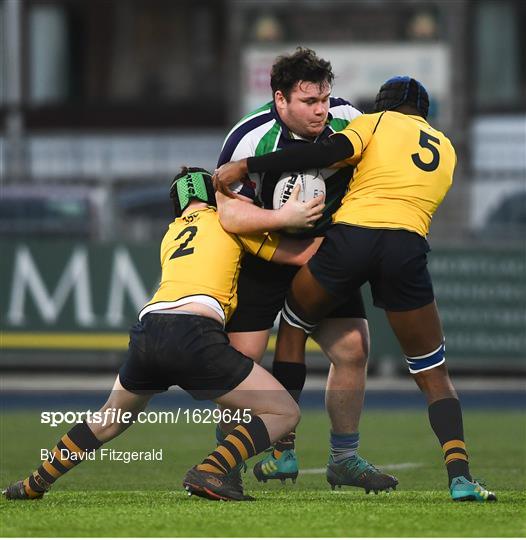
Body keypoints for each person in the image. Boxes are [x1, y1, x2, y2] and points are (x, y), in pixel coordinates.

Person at [214, 77, 497, 502]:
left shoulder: (370, 123)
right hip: (405, 247)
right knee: (431, 369)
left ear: (382, 106)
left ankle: (288, 452)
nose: (322, 108)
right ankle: (460, 477)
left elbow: (327, 152)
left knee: (296, 323)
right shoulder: (447, 148)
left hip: (349, 241)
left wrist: (248, 166)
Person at [2, 167, 323, 503]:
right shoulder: (231, 221)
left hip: (149, 329)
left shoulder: (170, 234)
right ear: (216, 194)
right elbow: (301, 255)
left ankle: (33, 483)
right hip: (194, 333)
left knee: (108, 419)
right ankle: (213, 469)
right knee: (284, 412)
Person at [214, 47, 397, 492]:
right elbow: (226, 212)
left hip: (323, 255)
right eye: (309, 102)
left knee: (353, 349)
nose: (321, 110)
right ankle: (225, 462)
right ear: (280, 100)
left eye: (325, 100)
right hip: (262, 256)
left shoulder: (349, 120)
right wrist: (281, 225)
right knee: (240, 362)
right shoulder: (249, 138)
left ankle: (344, 458)